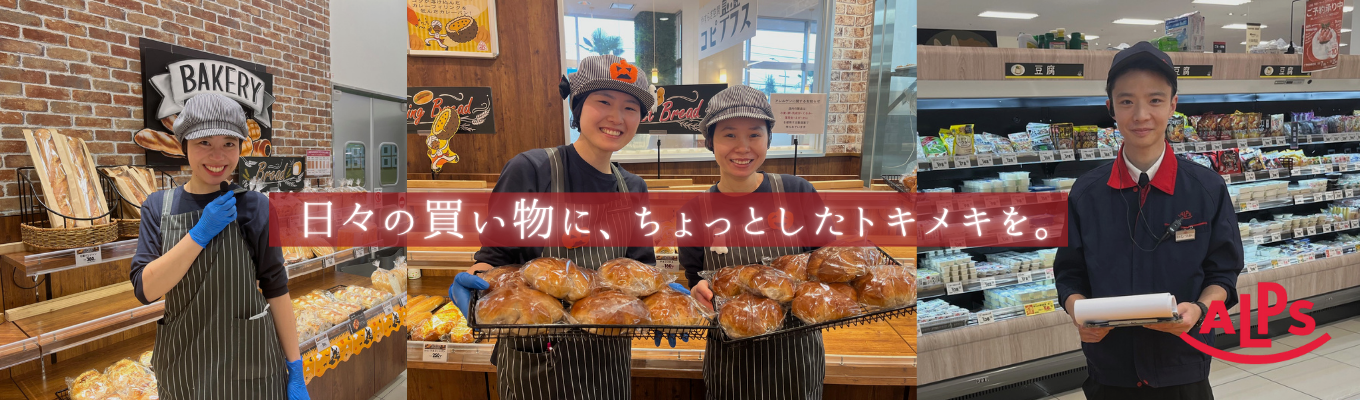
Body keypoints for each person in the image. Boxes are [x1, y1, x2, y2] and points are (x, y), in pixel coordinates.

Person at [447, 54, 676, 399]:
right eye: (603, 102)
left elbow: (640, 270)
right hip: (536, 359)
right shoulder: (531, 170)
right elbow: (494, 257)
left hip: (608, 360)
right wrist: (476, 284)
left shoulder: (634, 188)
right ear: (578, 106)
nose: (617, 117)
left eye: (631, 108)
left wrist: (664, 298)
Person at [1053, 42, 1243, 400]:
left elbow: (1224, 274)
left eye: (1155, 100)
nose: (1141, 114)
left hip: (1183, 363)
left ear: (1173, 104)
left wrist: (1200, 310)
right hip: (1110, 368)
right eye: (1126, 101)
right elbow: (1069, 274)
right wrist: (1077, 311)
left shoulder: (1207, 188)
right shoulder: (1085, 193)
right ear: (1110, 108)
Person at [130, 93, 309, 400]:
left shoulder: (255, 207)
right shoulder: (158, 207)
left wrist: (295, 367)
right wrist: (199, 234)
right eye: (204, 143)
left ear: (241, 147)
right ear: (184, 145)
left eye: (229, 143)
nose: (218, 156)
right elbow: (146, 290)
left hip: (251, 369)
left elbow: (276, 288)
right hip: (183, 371)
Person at [681, 85, 834, 400]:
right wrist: (698, 292)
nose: (742, 147)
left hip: (795, 359)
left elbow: (826, 266)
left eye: (754, 134)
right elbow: (696, 279)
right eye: (729, 135)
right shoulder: (694, 212)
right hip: (732, 362)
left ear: (768, 139)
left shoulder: (797, 193)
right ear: (710, 142)